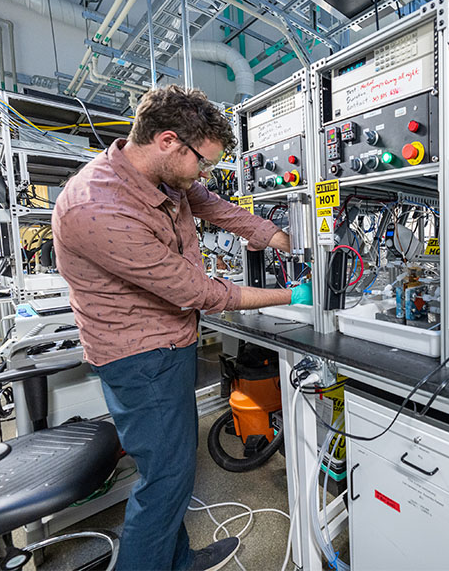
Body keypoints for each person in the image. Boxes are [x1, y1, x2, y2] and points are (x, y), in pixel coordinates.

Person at [52, 85, 311, 571]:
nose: (205, 174)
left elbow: (218, 208)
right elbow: (198, 292)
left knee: (172, 470)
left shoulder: (167, 177)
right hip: (140, 358)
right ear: (168, 141)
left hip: (169, 344)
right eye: (204, 162)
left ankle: (178, 561)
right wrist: (294, 297)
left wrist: (279, 237)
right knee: (165, 480)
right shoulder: (97, 206)